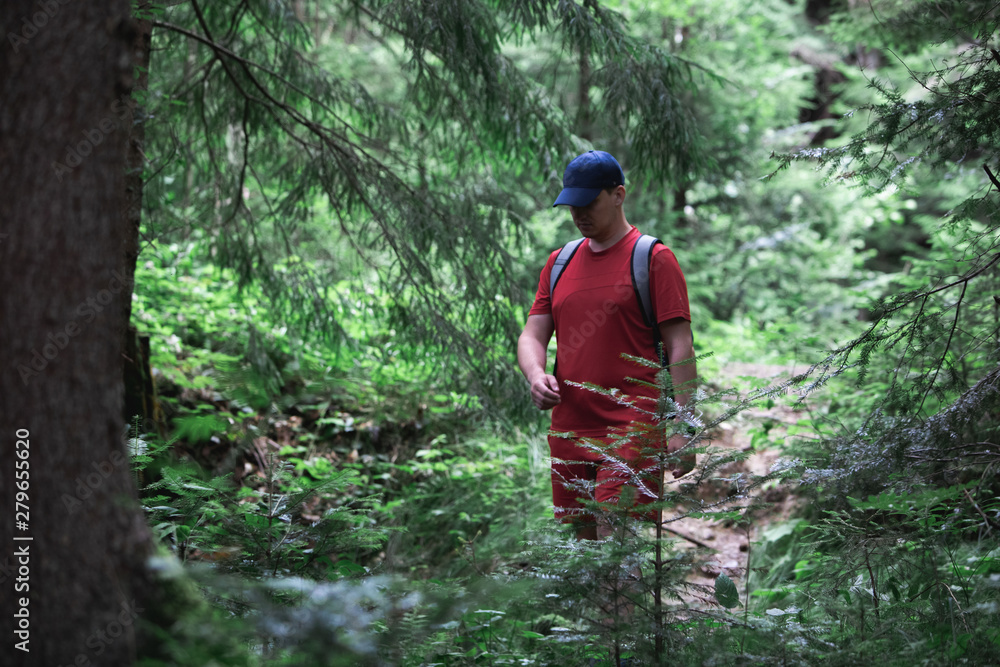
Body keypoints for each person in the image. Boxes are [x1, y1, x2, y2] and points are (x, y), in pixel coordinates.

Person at [517, 150, 697, 540]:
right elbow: (532, 334)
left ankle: (629, 604)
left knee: (616, 544)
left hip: (632, 426)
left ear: (618, 195)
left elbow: (681, 347)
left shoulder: (653, 259)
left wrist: (684, 427)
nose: (579, 213)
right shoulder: (559, 262)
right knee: (582, 553)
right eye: (571, 205)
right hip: (570, 428)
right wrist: (535, 373)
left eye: (589, 202)